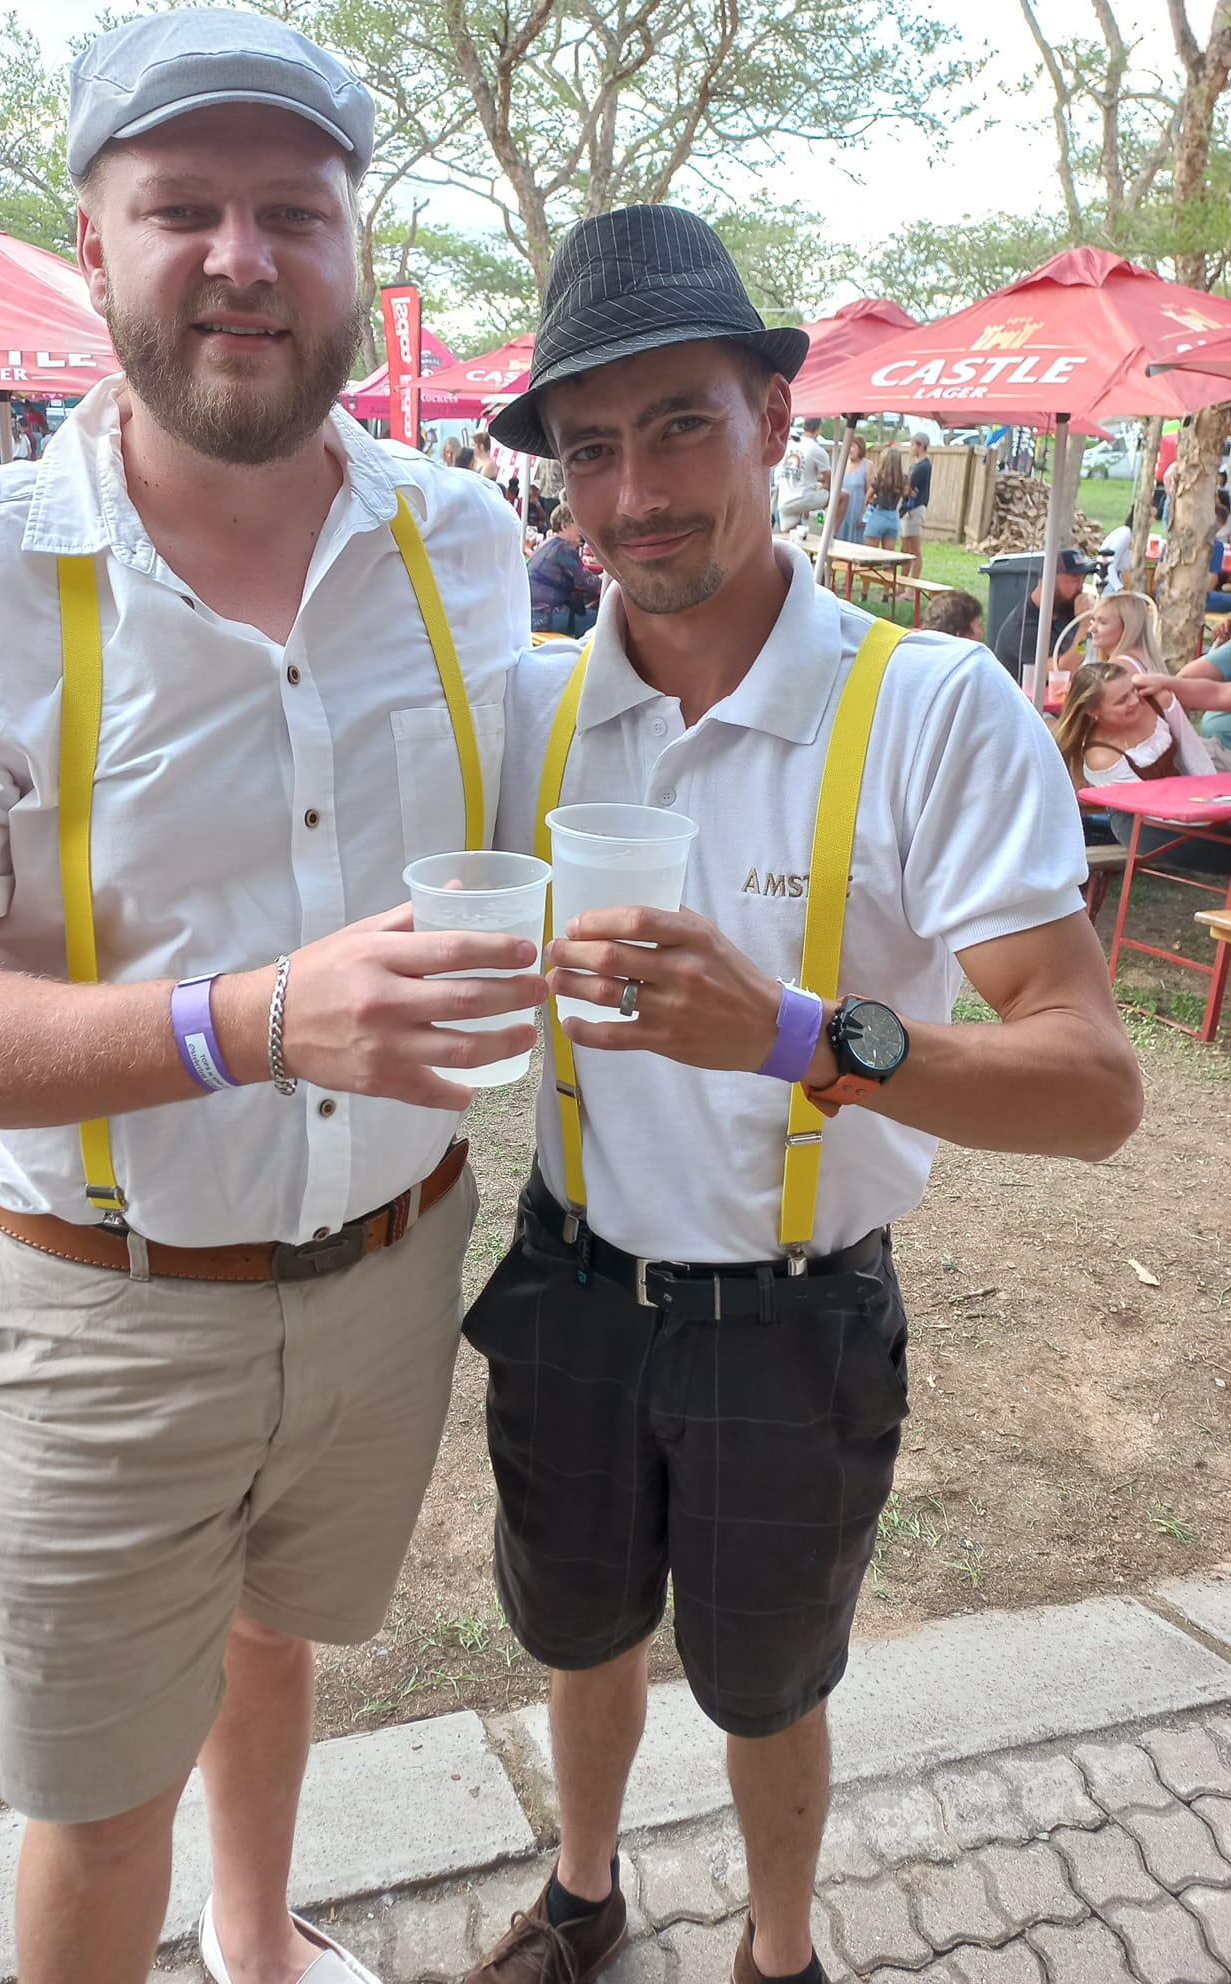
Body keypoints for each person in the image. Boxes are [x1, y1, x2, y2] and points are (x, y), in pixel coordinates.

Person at [0, 7, 532, 1984]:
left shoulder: (467, 544)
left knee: (275, 1640)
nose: (241, 255)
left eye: (293, 209)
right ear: (95, 243)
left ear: (354, 246)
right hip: (98, 1318)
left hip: (389, 1272)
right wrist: (248, 1018)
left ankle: (260, 1943)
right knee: (102, 1801)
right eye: (182, 205)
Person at [469, 202, 1141, 1984]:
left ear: (777, 416)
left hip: (792, 1314)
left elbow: (1092, 1085)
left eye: (680, 424)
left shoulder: (932, 709)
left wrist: (797, 1036)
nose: (634, 494)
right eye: (589, 449)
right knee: (580, 1635)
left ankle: (779, 1953)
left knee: (768, 1681)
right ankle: (585, 1896)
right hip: (567, 1282)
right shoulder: (528, 713)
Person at [1053, 661, 1227, 870]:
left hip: (1187, 801)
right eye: (1121, 701)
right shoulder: (1101, 756)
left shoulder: (1157, 699)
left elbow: (1194, 756)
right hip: (1141, 821)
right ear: (1093, 711)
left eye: (1132, 690)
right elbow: (1150, 808)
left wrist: (1217, 804)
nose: (1135, 700)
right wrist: (1205, 817)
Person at [992, 548, 1094, 686]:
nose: (1080, 587)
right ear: (1048, 581)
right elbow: (1061, 671)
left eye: (1083, 580)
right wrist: (1084, 627)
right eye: (1074, 580)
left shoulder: (1065, 609)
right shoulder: (1023, 629)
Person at [527, 502, 603, 637]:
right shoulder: (563, 549)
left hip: (530, 614)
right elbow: (588, 582)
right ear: (564, 526)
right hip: (544, 616)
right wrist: (611, 582)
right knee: (602, 623)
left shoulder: (547, 544)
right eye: (577, 523)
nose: (581, 530)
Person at [774, 415, 830, 536]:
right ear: (819, 429)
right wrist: (825, 489)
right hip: (802, 498)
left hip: (784, 501)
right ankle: (831, 535)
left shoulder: (789, 445)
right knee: (841, 496)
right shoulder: (817, 450)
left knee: (788, 537)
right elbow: (829, 480)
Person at [899, 431, 932, 571]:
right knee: (905, 548)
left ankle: (913, 583)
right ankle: (903, 581)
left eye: (913, 445)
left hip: (915, 509)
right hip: (907, 510)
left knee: (914, 549)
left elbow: (908, 488)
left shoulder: (924, 466)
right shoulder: (915, 466)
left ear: (921, 446)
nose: (911, 448)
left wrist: (906, 487)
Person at [861, 445, 904, 550]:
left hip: (879, 515)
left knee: (869, 554)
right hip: (893, 518)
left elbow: (868, 497)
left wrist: (871, 501)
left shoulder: (880, 480)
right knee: (888, 557)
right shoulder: (901, 480)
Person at [835, 434, 868, 545]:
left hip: (857, 513)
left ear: (860, 447)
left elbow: (871, 494)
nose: (850, 449)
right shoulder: (841, 464)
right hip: (842, 513)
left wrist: (865, 516)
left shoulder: (867, 465)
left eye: (853, 446)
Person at [1098, 521, 1133, 594]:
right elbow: (1110, 563)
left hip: (1115, 581)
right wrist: (1119, 588)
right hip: (1110, 584)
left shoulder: (1127, 533)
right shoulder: (1126, 535)